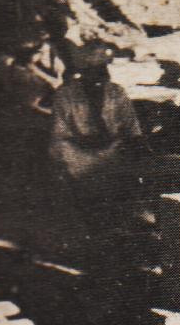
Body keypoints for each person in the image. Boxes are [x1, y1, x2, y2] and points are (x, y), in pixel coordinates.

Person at [48, 42, 147, 254]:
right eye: (93, 72)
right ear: (81, 74)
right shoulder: (65, 96)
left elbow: (132, 127)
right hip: (79, 153)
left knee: (128, 171)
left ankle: (123, 226)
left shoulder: (116, 93)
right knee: (69, 159)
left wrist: (137, 147)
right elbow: (59, 135)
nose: (100, 77)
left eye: (102, 71)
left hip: (113, 149)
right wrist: (82, 144)